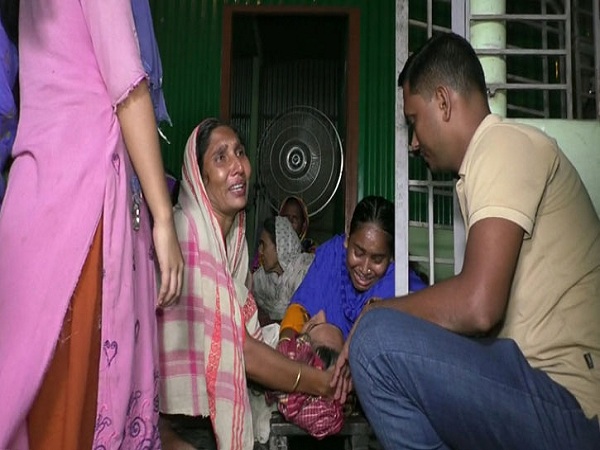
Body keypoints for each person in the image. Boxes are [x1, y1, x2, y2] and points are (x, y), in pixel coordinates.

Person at [333, 32, 600, 450]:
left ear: (443, 102)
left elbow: (479, 307)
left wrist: (376, 310)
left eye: (414, 121)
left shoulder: (502, 145)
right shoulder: (488, 164)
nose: (414, 142)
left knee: (373, 340)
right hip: (537, 392)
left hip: (571, 407)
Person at [0, 1, 184, 449]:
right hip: (85, 205)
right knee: (73, 409)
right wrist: (163, 218)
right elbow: (128, 90)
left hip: (31, 203)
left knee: (31, 398)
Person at [157, 119, 349, 450]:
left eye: (240, 153)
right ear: (200, 178)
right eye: (221, 157)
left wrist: (300, 342)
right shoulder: (187, 235)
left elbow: (242, 336)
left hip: (198, 418)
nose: (238, 167)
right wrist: (318, 382)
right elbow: (241, 349)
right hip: (177, 419)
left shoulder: (231, 246)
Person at [280, 195, 428, 341]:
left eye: (377, 260)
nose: (364, 268)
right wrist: (286, 344)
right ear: (347, 240)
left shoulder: (399, 284)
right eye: (358, 253)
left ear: (391, 257)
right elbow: (301, 305)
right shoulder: (331, 256)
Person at [252, 215, 315, 323]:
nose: (260, 251)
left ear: (280, 246)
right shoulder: (261, 280)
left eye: (264, 245)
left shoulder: (305, 274)